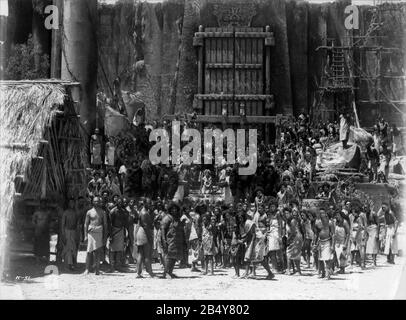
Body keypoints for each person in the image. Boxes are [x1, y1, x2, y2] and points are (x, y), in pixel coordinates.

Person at [160, 202, 186, 278]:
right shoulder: (167, 218)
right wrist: (164, 240)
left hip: (176, 241)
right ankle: (166, 272)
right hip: (169, 241)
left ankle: (170, 272)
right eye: (172, 209)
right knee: (169, 256)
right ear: (170, 210)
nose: (174, 210)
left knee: (174, 257)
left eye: (175, 209)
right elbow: (163, 229)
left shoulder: (176, 218)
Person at [83, 197, 108, 275]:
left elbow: (105, 225)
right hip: (91, 233)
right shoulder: (89, 212)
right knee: (89, 252)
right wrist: (85, 235)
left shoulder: (103, 212)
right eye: (95, 201)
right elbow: (86, 224)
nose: (96, 203)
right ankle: (87, 269)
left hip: (99, 232)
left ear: (100, 202)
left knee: (97, 252)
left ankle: (97, 269)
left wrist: (104, 237)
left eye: (98, 201)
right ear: (92, 202)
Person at [108, 197, 129, 273]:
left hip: (120, 231)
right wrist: (110, 235)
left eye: (121, 203)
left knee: (119, 250)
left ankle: (118, 265)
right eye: (119, 202)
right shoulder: (113, 211)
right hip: (114, 231)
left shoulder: (123, 212)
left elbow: (124, 223)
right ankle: (112, 266)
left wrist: (125, 234)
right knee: (112, 250)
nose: (120, 204)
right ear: (116, 203)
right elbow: (110, 224)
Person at [136, 199, 155, 278]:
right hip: (144, 233)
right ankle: (150, 272)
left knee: (141, 254)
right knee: (147, 254)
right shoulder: (144, 213)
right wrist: (150, 238)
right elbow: (146, 226)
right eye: (149, 203)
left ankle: (139, 272)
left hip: (141, 232)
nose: (150, 205)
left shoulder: (143, 211)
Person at [315, 210, 335, 279]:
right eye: (320, 213)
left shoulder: (330, 223)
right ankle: (322, 273)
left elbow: (333, 235)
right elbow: (316, 234)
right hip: (320, 242)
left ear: (325, 214)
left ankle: (327, 274)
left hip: (327, 241)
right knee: (320, 259)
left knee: (327, 259)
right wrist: (315, 243)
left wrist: (332, 245)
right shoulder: (317, 223)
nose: (321, 214)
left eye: (323, 213)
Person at [61, 198, 79, 271]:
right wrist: (63, 234)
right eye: (70, 203)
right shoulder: (65, 212)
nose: (71, 204)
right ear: (68, 204)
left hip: (74, 232)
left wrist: (77, 234)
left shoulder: (75, 213)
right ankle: (67, 266)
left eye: (73, 203)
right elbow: (62, 225)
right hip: (67, 232)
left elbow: (77, 224)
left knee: (73, 250)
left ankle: (72, 265)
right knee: (68, 249)